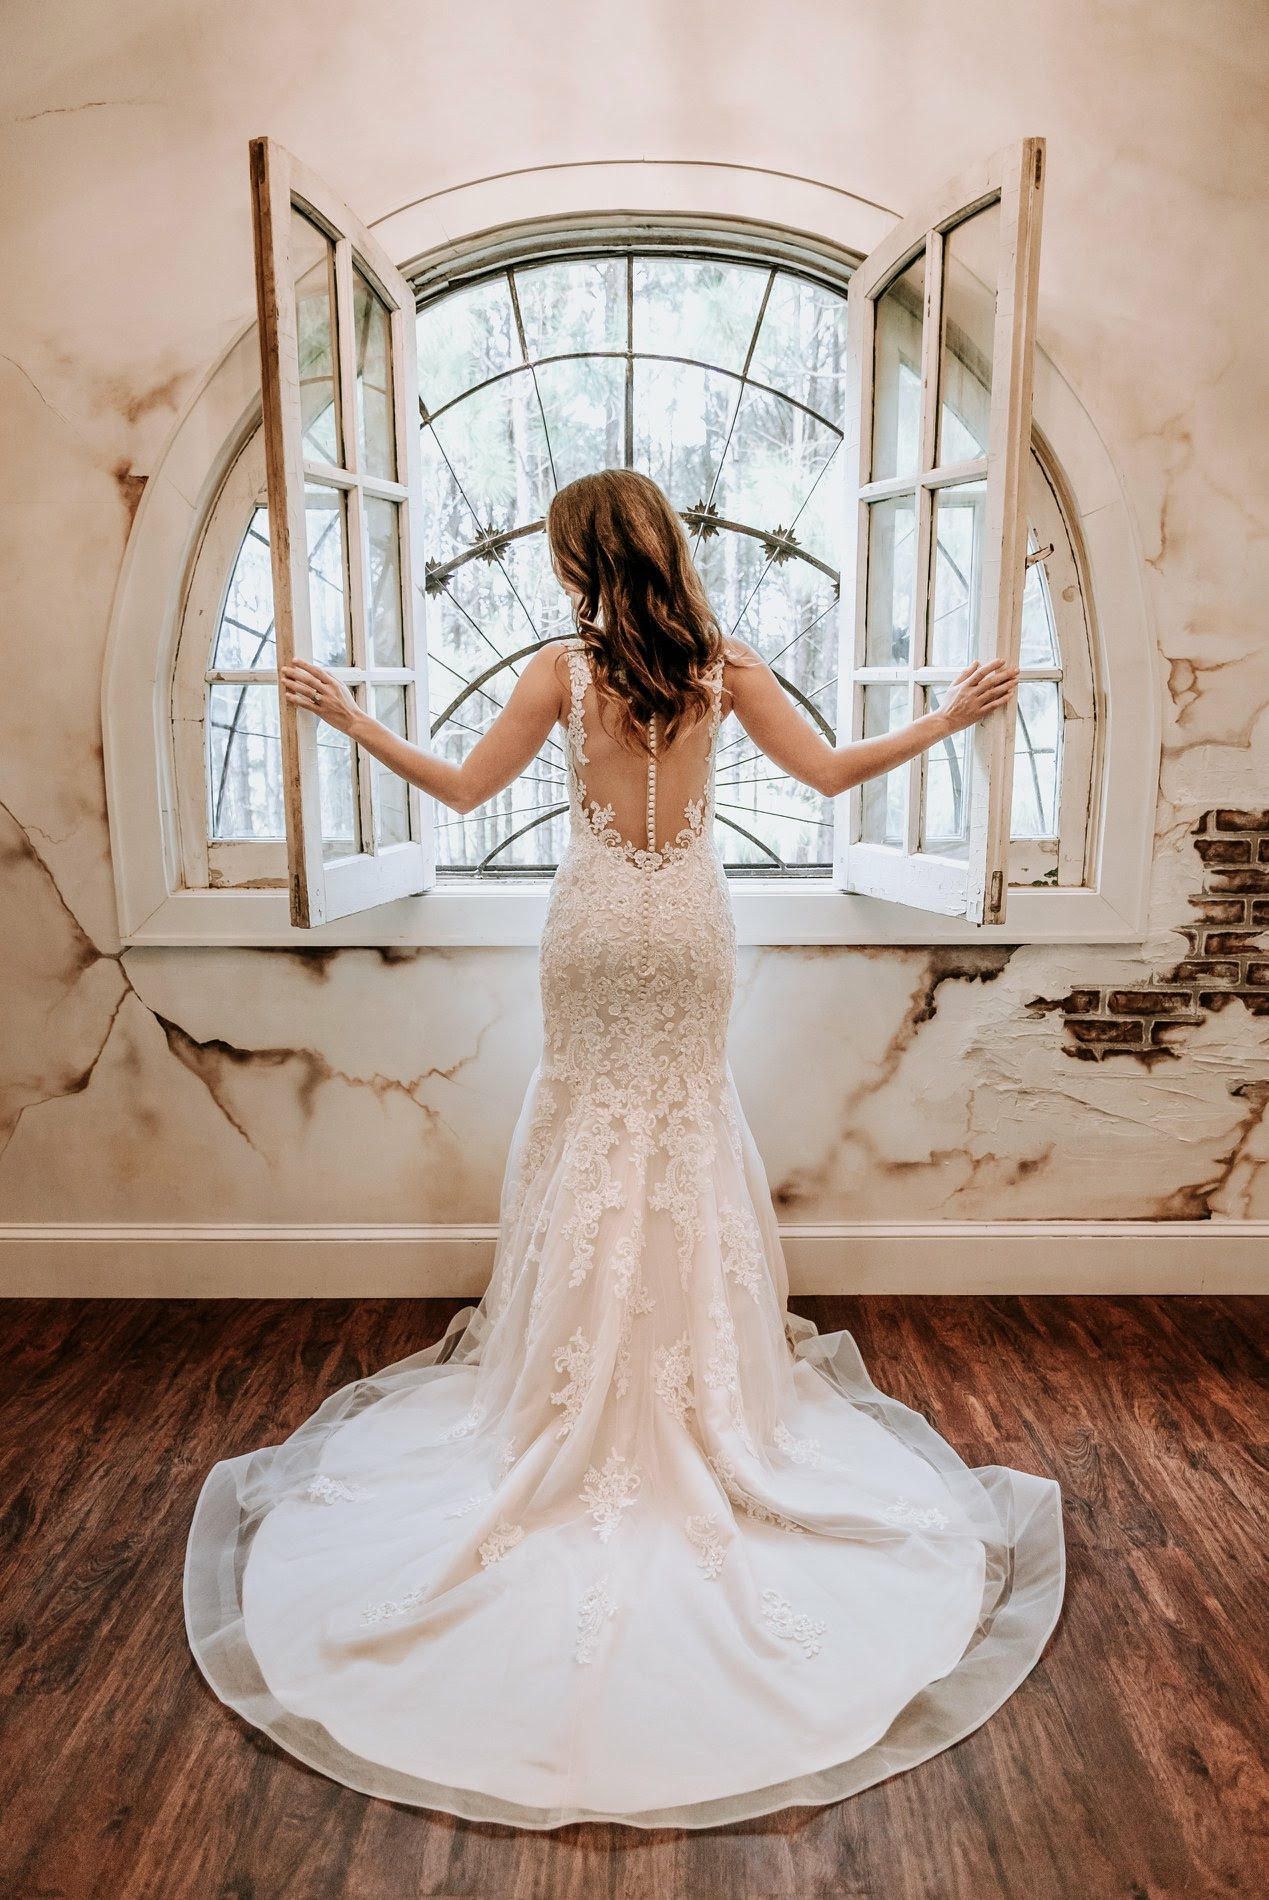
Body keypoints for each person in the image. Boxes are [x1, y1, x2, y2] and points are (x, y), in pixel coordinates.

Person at [184, 468, 1064, 1830]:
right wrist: (945, 720)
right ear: (659, 550)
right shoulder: (722, 672)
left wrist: (353, 719)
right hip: (688, 928)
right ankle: (698, 1393)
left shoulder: (559, 675)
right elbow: (830, 777)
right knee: (682, 1130)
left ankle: (567, 1391)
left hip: (595, 926)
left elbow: (460, 791)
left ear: (578, 561)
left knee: (586, 1133)